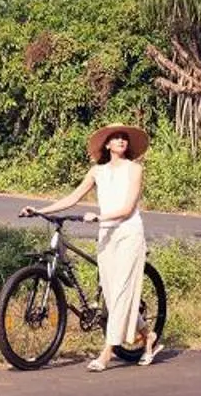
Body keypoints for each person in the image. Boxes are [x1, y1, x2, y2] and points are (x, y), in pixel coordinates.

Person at [21, 123, 154, 369]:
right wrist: (39, 210)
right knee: (112, 298)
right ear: (107, 144)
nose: (121, 141)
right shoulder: (97, 172)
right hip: (106, 236)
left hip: (129, 233)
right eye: (116, 137)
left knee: (122, 292)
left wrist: (100, 216)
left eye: (124, 138)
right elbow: (73, 197)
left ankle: (106, 353)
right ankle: (149, 336)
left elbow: (127, 208)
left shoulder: (135, 169)